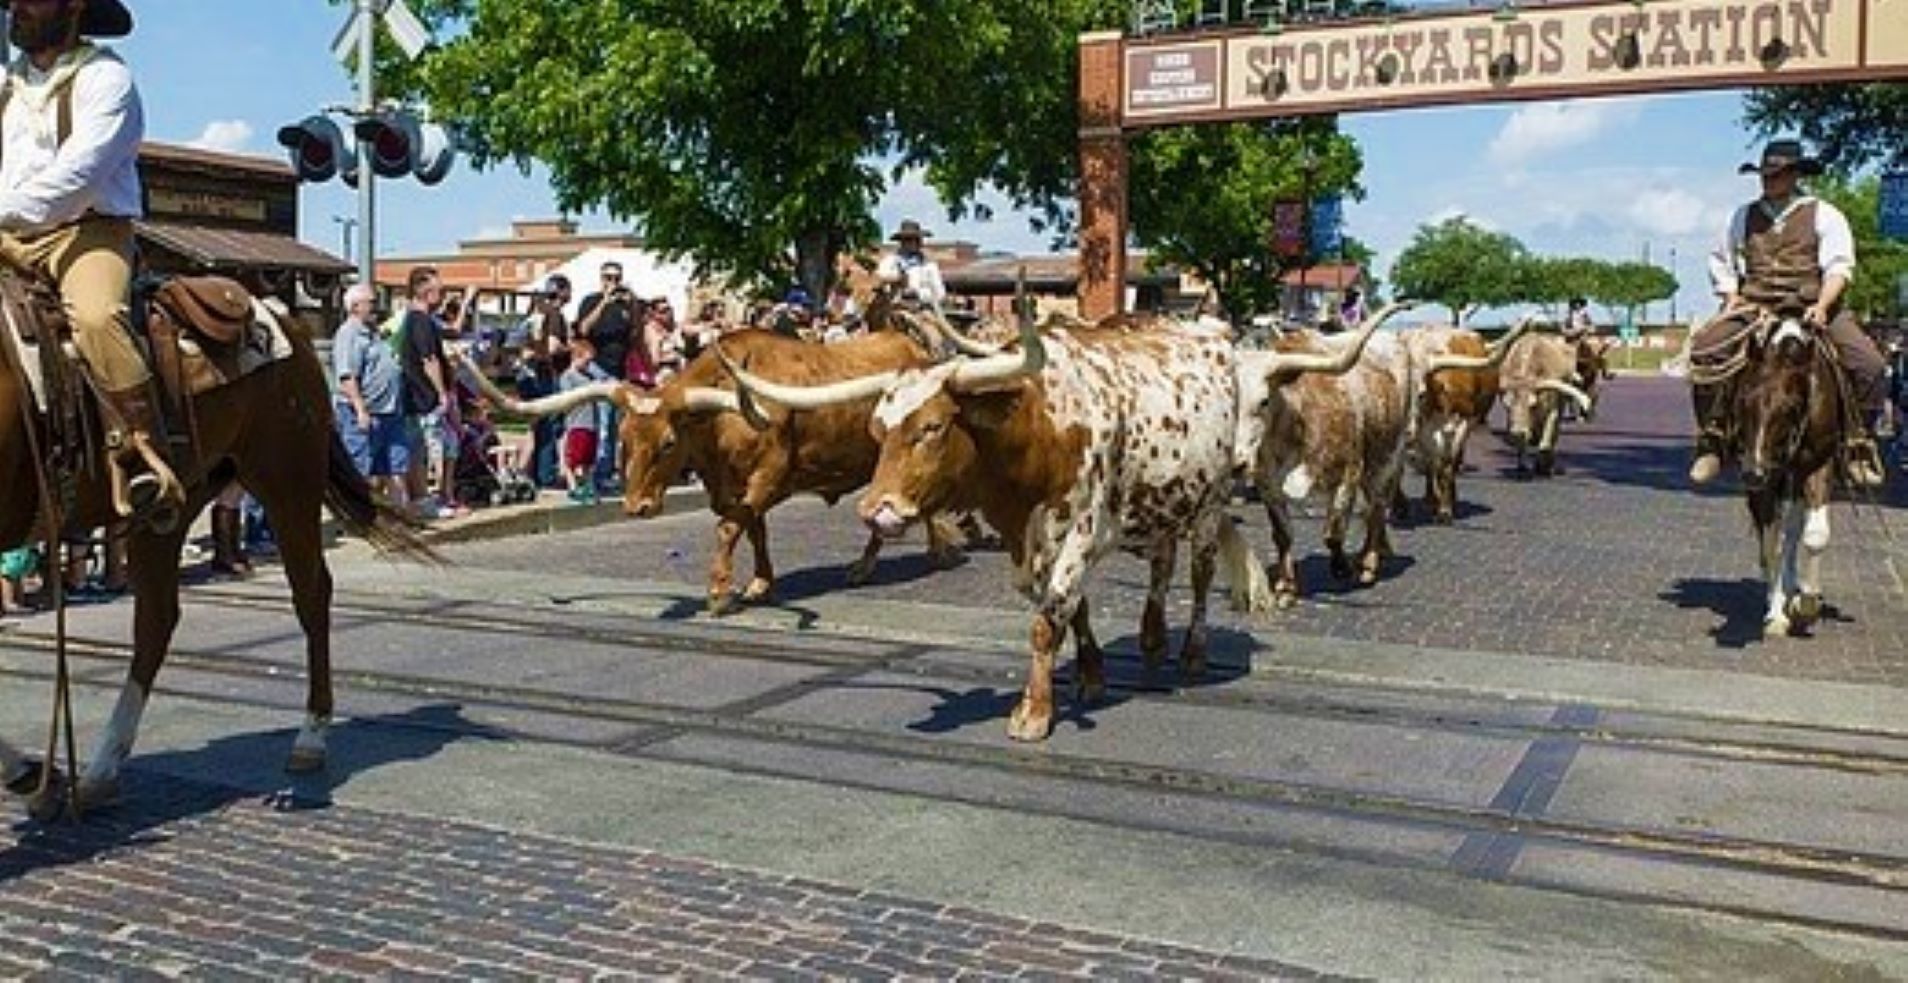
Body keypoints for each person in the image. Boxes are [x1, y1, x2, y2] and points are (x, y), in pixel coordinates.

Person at [0, 0, 181, 531]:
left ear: (73, 7)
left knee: (99, 318)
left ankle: (143, 458)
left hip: (86, 230)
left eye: (31, 0)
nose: (17, 10)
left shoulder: (107, 79)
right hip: (9, 232)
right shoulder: (6, 83)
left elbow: (78, 175)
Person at [1688, 138, 1887, 488]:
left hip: (1813, 304)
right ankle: (1712, 439)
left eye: (1776, 174)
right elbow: (1722, 258)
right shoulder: (1742, 215)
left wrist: (1823, 305)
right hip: (1757, 305)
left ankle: (1858, 443)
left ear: (1795, 175)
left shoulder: (1825, 214)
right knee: (1706, 348)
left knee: (1868, 364)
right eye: (1765, 174)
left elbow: (1840, 266)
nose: (1768, 180)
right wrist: (1730, 293)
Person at [331, 283, 409, 510]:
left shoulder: (374, 333)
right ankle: (358, 516)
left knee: (396, 466)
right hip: (364, 413)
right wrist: (360, 409)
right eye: (371, 303)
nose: (377, 307)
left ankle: (399, 516)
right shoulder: (349, 334)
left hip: (390, 411)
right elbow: (347, 376)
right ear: (355, 307)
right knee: (359, 468)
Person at [397, 266, 465, 518]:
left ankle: (426, 497)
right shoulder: (420, 320)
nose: (442, 294)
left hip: (419, 397)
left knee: (426, 447)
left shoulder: (415, 319)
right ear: (424, 291)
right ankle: (423, 499)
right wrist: (441, 392)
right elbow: (429, 360)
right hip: (422, 397)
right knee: (424, 448)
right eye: (438, 289)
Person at [558, 336, 611, 504]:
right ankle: (574, 487)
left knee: (588, 460)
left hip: (592, 424)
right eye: (586, 361)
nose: (589, 366)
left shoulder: (589, 377)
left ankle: (587, 486)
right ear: (575, 357)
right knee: (575, 459)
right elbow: (567, 399)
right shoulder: (568, 377)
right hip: (577, 423)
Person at [876, 219, 947, 309]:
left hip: (921, 309)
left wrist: (918, 294)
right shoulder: (890, 261)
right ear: (901, 241)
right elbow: (879, 276)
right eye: (906, 240)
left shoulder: (929, 266)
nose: (909, 243)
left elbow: (940, 294)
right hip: (893, 308)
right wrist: (897, 278)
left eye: (913, 239)